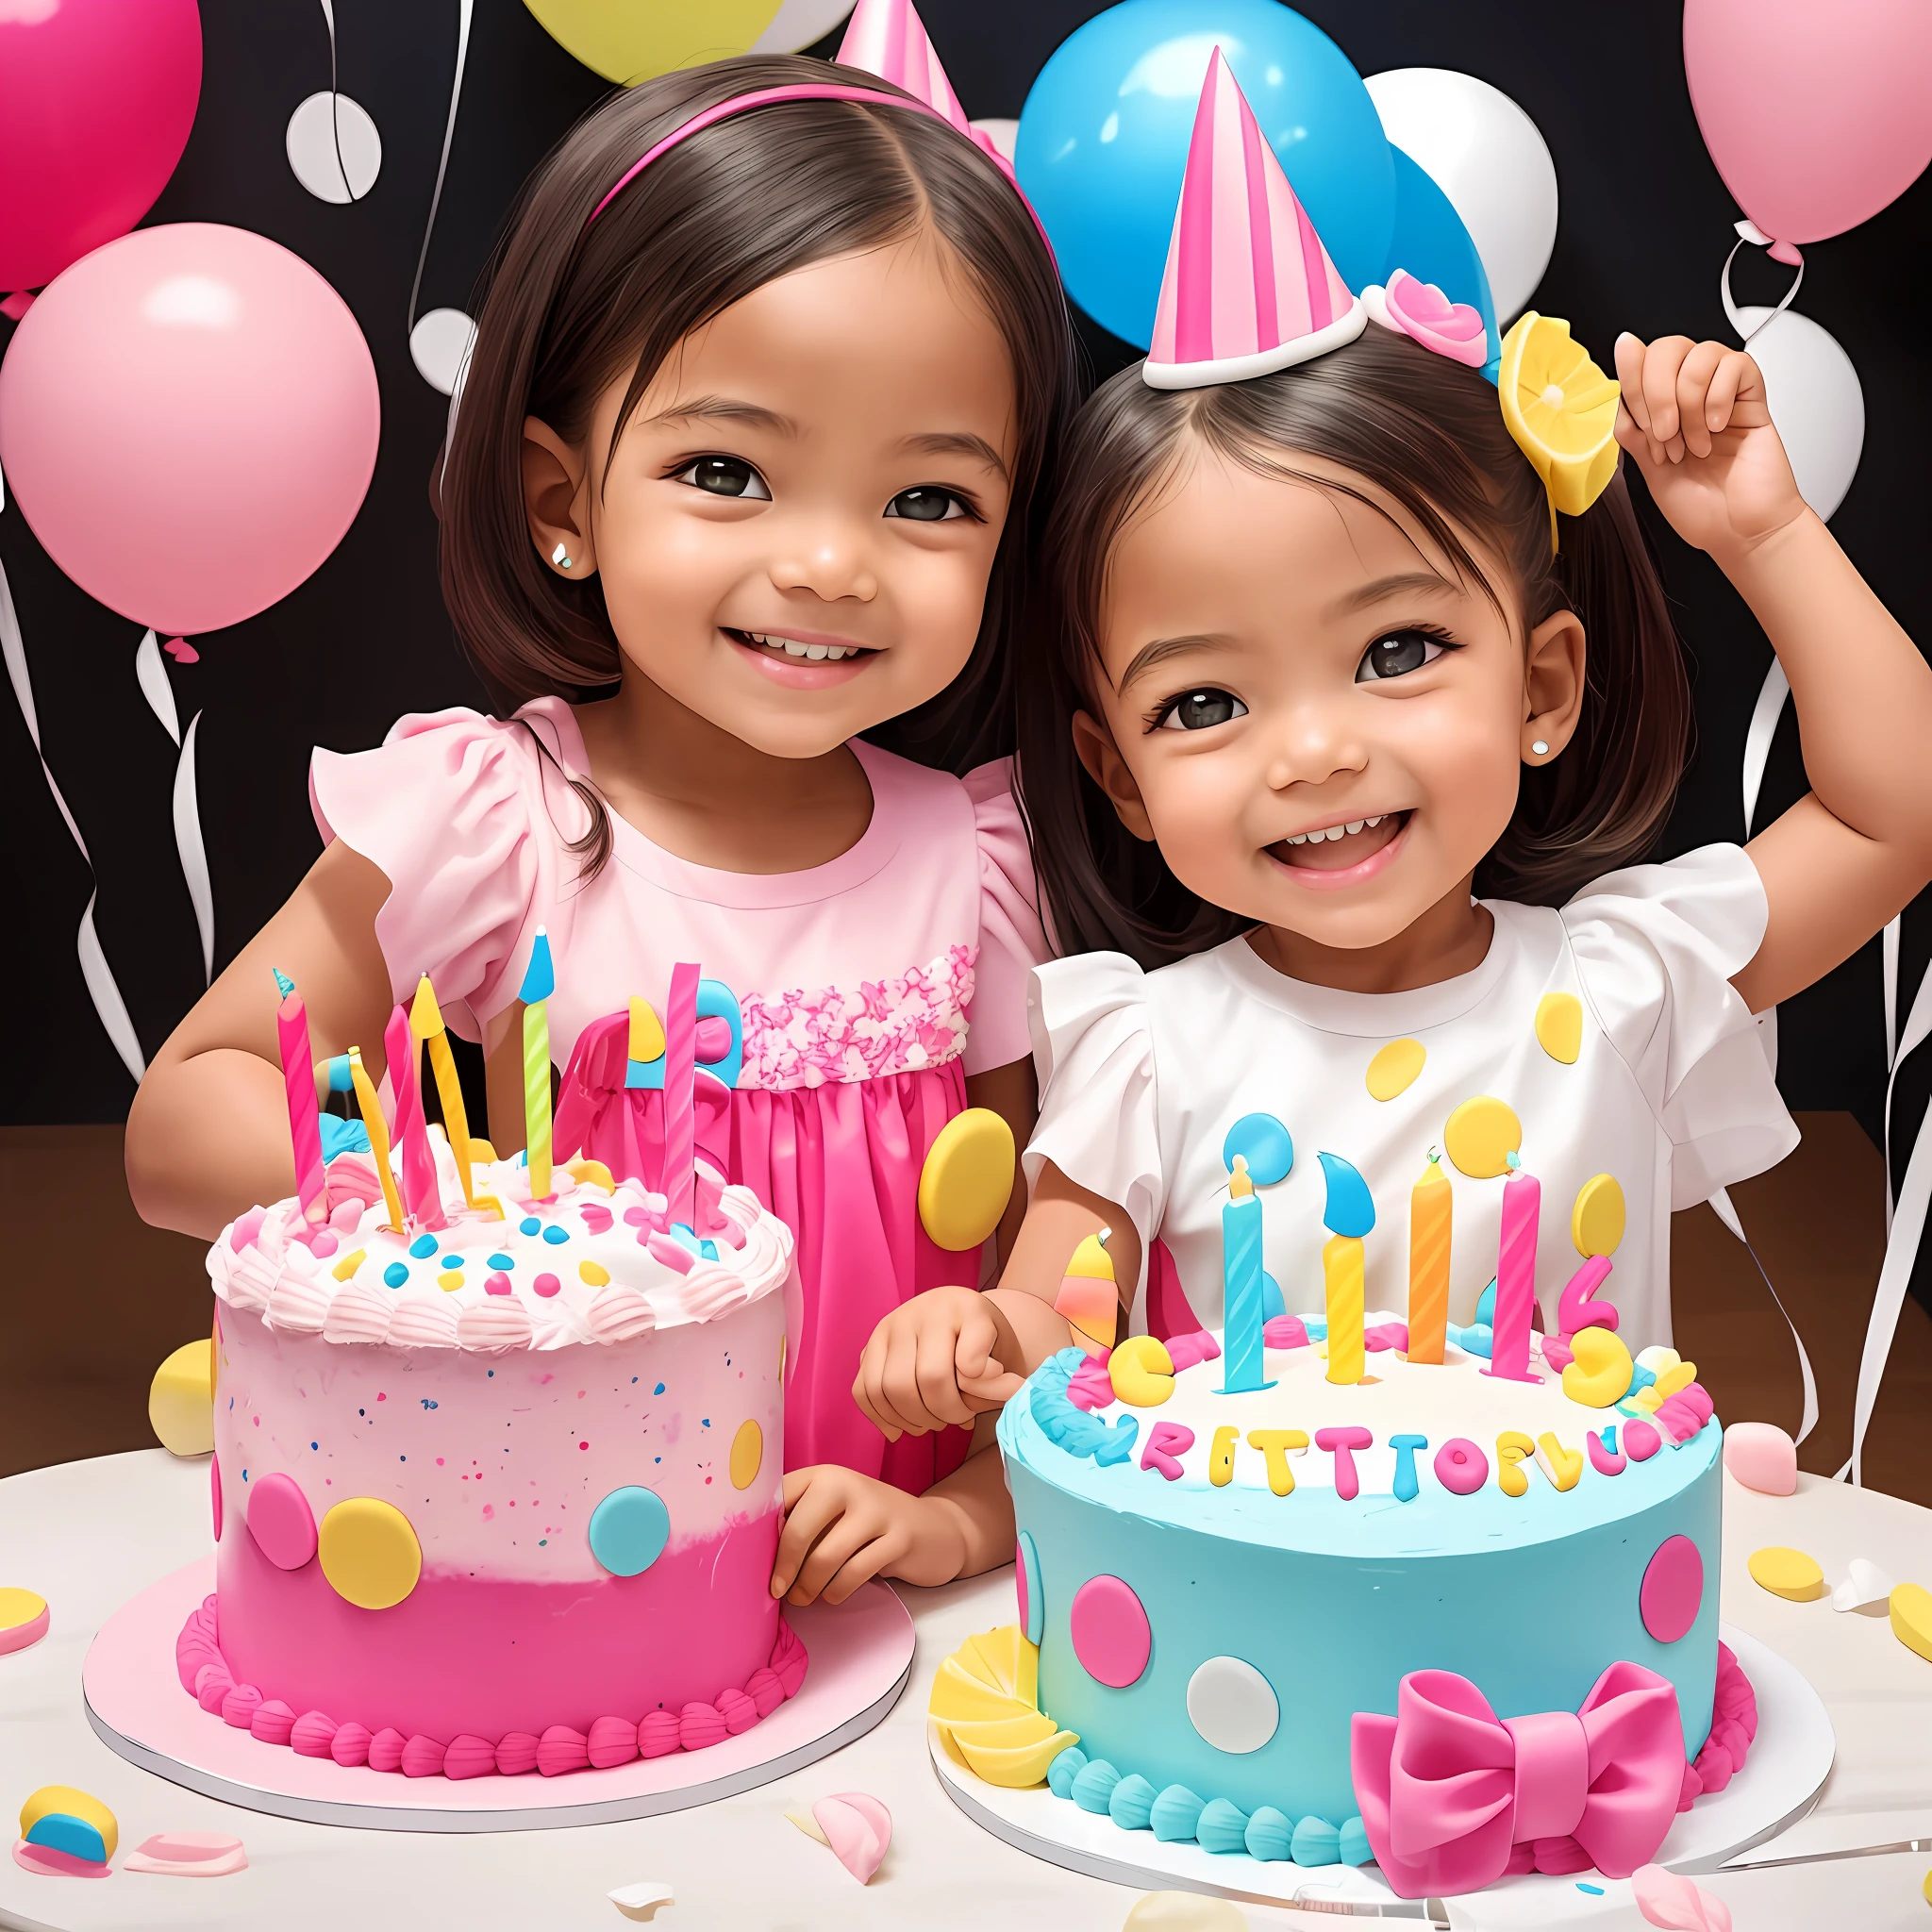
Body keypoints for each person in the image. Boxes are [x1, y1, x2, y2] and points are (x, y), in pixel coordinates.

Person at [859, 54, 1932, 1545]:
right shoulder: (1145, 1049)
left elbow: (1897, 811)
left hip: (1584, 1658)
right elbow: (1059, 1319)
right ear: (1119, 772)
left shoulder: (1625, 980)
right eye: (1205, 704)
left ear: (1543, 688)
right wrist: (986, 1346)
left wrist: (1765, 530)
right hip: (1243, 1666)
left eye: (1397, 652)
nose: (1312, 751)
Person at [125, 32, 1082, 1600]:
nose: (832, 565)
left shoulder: (978, 863)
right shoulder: (492, 824)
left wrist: (972, 1477)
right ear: (567, 503)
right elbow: (185, 1122)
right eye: (729, 471)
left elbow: (1052, 1243)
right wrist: (441, 1215)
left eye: (928, 500)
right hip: (558, 1591)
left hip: (899, 1597)